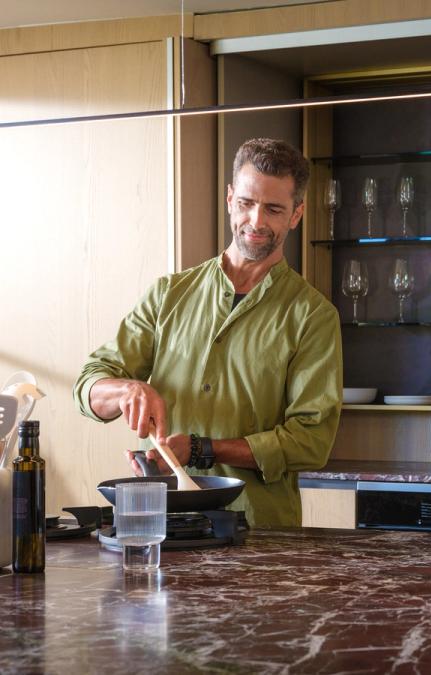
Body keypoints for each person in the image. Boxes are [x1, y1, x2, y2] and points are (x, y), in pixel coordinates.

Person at [74, 138, 342, 528]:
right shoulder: (168, 294)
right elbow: (88, 385)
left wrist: (201, 449)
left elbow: (311, 441)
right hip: (165, 528)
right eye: (247, 203)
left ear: (296, 214)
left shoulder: (313, 316)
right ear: (230, 198)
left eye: (273, 209)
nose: (256, 222)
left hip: (260, 535)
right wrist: (126, 391)